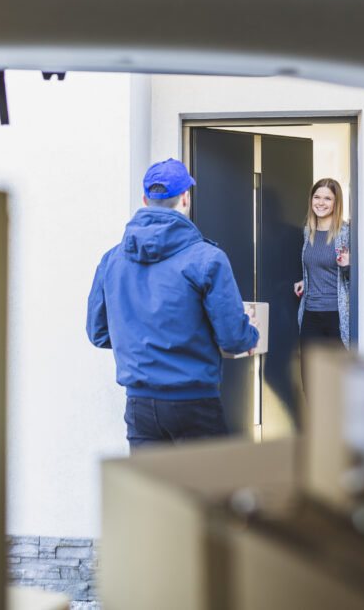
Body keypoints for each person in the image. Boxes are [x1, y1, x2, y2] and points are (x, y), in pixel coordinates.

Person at [86, 158, 260, 449]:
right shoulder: (207, 258)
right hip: (194, 404)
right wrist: (251, 333)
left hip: (139, 408)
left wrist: (141, 338)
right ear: (185, 199)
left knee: (150, 496)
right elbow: (233, 339)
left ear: (145, 199)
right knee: (209, 493)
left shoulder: (111, 260)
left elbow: (99, 333)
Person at [293, 178, 351, 349]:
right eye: (317, 197)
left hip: (336, 316)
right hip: (310, 313)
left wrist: (348, 266)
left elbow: (354, 280)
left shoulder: (346, 233)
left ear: (336, 202)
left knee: (335, 374)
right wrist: (307, 280)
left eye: (327, 198)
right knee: (309, 373)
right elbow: (319, 265)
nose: (321, 203)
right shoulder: (308, 232)